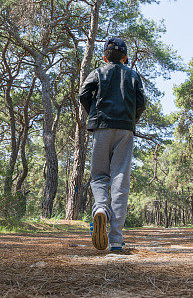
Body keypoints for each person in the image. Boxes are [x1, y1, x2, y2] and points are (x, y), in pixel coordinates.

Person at [78, 37, 146, 253]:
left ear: (105, 56)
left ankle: (100, 208)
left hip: (101, 127)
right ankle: (116, 239)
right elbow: (141, 102)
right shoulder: (133, 75)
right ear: (126, 58)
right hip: (125, 129)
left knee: (99, 175)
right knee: (120, 181)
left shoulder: (98, 71)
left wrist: (96, 115)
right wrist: (130, 120)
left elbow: (83, 94)